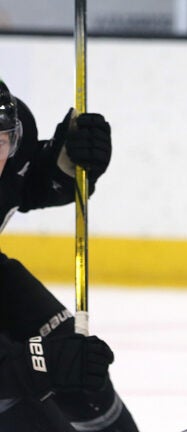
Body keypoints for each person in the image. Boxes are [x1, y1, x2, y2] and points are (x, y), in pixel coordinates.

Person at [0, 78, 139, 432]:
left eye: (2, 142)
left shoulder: (18, 131)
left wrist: (63, 168)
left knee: (79, 373)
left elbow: (20, 188)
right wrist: (38, 365)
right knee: (21, 398)